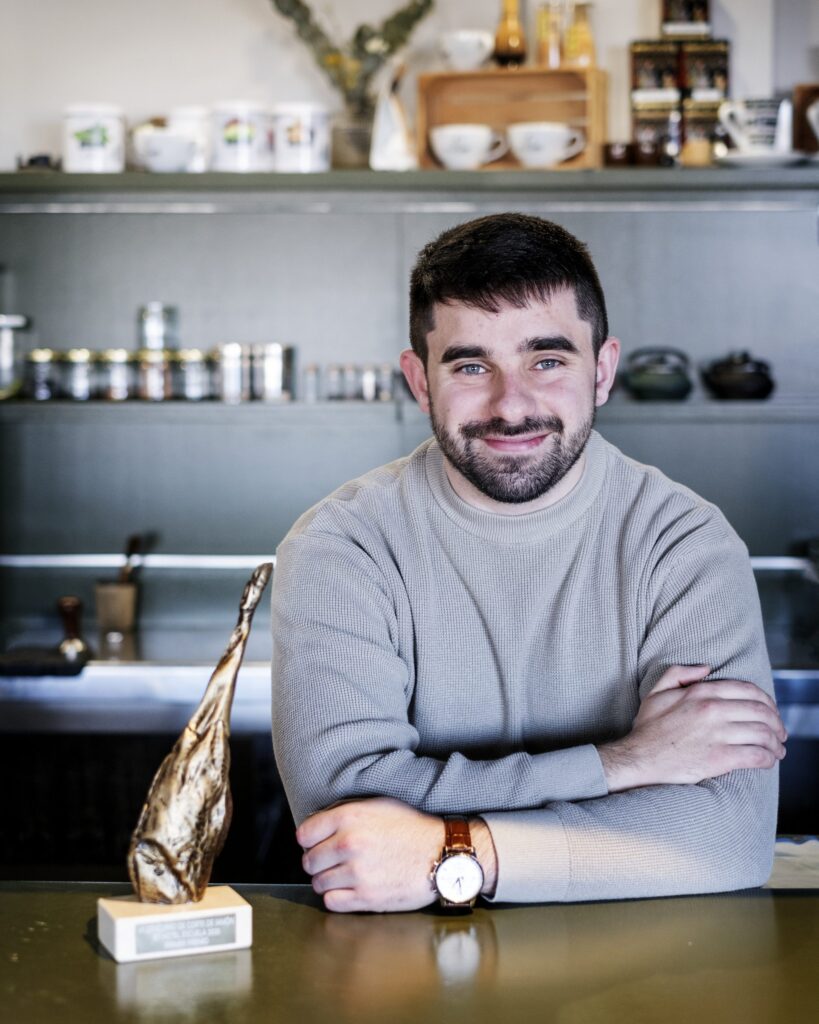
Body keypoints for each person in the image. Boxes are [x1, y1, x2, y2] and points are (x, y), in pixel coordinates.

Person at [271, 213, 785, 913]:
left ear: (600, 371)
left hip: (640, 984)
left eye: (546, 360)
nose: (510, 406)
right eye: (471, 365)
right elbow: (347, 815)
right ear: (420, 381)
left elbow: (729, 838)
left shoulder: (684, 542)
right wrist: (625, 765)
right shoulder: (343, 546)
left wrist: (455, 854)